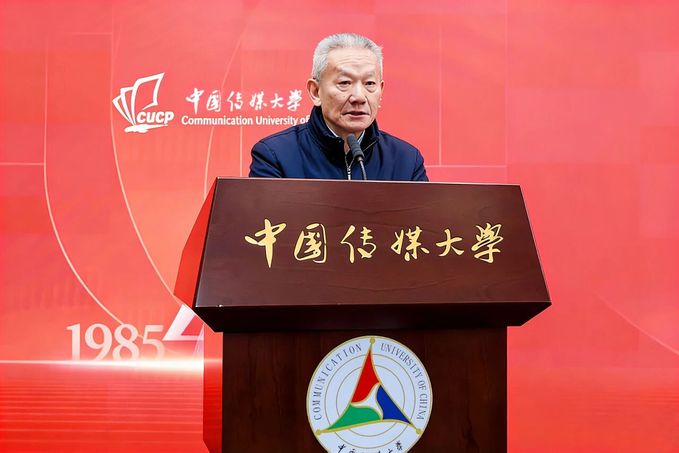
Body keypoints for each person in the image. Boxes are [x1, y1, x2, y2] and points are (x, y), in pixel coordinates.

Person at [248, 33, 428, 181]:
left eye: (369, 83)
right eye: (344, 82)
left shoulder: (406, 161)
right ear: (315, 91)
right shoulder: (275, 156)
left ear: (381, 91)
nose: (359, 97)